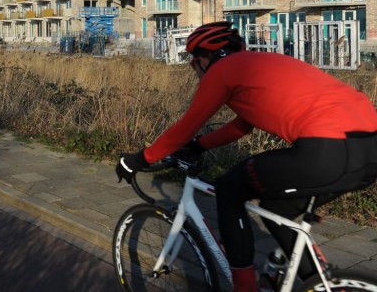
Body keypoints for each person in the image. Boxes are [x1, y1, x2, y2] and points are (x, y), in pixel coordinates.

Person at [116, 21, 377, 292]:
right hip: (369, 151)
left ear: (207, 57)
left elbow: (184, 127)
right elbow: (243, 125)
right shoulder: (264, 63)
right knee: (277, 210)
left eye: (195, 62)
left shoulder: (222, 71)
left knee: (229, 188)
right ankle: (321, 283)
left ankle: (245, 288)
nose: (195, 69)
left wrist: (137, 160)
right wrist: (200, 146)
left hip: (327, 151)